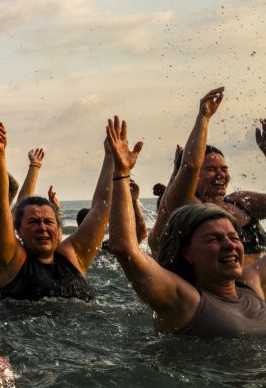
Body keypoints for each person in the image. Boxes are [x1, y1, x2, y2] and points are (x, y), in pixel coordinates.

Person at [107, 115, 266, 336]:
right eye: (215, 239)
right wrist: (120, 175)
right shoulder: (183, 298)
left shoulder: (250, 282)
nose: (230, 244)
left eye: (233, 237)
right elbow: (126, 248)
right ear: (187, 252)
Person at [0, 113, 113, 302]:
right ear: (18, 229)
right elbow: (0, 204)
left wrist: (112, 157)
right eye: (33, 222)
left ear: (58, 227)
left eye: (48, 221)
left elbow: (101, 208)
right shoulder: (10, 259)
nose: (43, 227)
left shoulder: (73, 256)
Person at [150, 89, 266, 265]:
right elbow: (189, 167)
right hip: (221, 291)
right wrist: (203, 118)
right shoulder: (187, 208)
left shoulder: (240, 201)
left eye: (224, 168)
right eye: (211, 169)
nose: (221, 174)